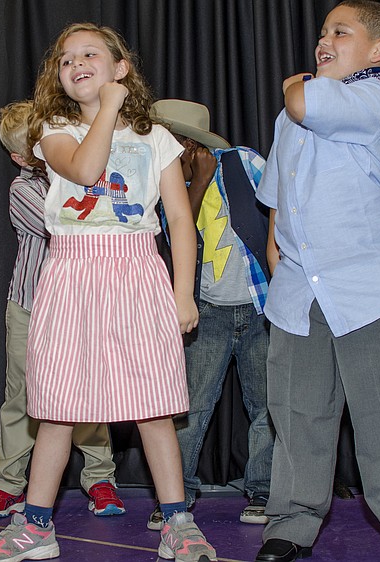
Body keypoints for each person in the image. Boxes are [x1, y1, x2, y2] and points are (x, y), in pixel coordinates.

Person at [0, 23, 216, 562]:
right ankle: (36, 527)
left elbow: (178, 219)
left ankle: (178, 522)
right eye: (65, 59)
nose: (76, 63)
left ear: (121, 67)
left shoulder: (158, 139)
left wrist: (182, 294)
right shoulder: (53, 129)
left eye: (91, 54)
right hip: (71, 274)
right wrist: (108, 109)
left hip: (136, 273)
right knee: (58, 404)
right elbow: (85, 169)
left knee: (153, 407)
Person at [254, 2, 380, 562]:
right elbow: (277, 192)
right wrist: (276, 251)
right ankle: (291, 523)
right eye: (321, 32)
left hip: (371, 287)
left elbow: (300, 98)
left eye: (340, 32)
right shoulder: (290, 117)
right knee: (297, 414)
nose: (324, 40)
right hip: (299, 293)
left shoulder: (374, 98)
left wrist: (296, 79)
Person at [0, 100, 123, 520]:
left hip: (80, 308)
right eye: (34, 145)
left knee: (88, 393)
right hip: (31, 306)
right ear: (20, 157)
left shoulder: (85, 174)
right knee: (21, 397)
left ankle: (100, 478)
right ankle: (8, 483)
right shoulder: (23, 189)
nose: (46, 147)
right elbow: (65, 223)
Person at [150, 99, 274, 528]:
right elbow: (172, 229)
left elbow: (279, 213)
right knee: (191, 406)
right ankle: (176, 495)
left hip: (259, 308)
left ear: (189, 145)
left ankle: (264, 490)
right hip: (206, 313)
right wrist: (198, 182)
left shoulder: (244, 163)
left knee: (266, 406)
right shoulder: (166, 181)